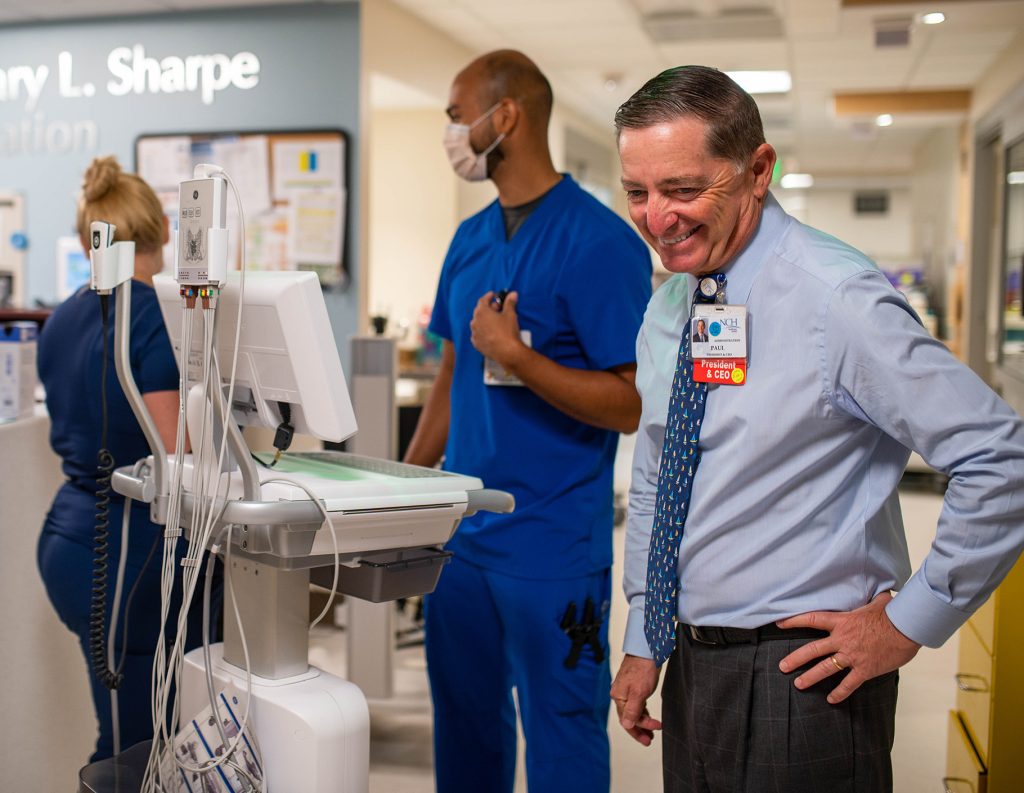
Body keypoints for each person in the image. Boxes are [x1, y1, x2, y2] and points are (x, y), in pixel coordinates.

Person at [609, 65, 1024, 792]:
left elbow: (1003, 457)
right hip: (694, 663)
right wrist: (646, 634)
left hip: (803, 677)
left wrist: (909, 620)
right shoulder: (673, 301)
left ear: (758, 170)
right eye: (637, 192)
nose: (656, 218)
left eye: (682, 189)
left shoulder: (839, 300)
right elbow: (658, 470)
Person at [402, 50, 652, 793]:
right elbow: (450, 374)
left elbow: (632, 402)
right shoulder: (470, 240)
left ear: (502, 116)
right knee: (466, 731)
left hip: (551, 548)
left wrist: (517, 355)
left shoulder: (601, 244)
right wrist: (401, 494)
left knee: (562, 740)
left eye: (456, 114)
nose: (451, 131)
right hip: (463, 544)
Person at [37, 156, 216, 762]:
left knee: (126, 726)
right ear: (166, 228)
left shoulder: (62, 318)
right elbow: (178, 457)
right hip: (125, 554)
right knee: (141, 741)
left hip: (70, 541)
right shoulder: (151, 318)